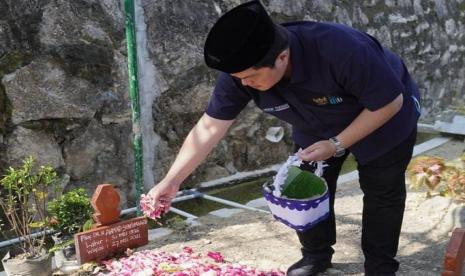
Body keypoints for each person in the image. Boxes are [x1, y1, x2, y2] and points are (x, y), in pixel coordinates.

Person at [148, 1, 421, 275]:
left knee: (382, 192)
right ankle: (316, 255)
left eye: (251, 77)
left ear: (282, 57)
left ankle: (380, 265)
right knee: (304, 185)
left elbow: (388, 102)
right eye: (239, 78)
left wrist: (336, 144)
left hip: (382, 117)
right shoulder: (243, 72)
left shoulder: (341, 49)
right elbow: (209, 127)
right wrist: (172, 181)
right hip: (315, 124)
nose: (244, 84)